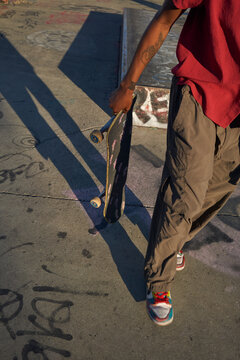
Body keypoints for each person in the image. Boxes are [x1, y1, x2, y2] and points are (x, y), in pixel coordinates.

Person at [109, 0, 240, 326]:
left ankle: (176, 239)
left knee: (221, 184)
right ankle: (159, 280)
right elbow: (165, 19)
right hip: (199, 91)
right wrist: (128, 84)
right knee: (186, 191)